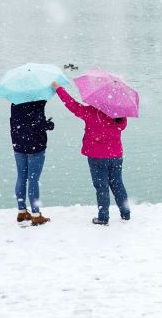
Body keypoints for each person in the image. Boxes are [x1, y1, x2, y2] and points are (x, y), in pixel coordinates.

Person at [52, 82, 130, 225]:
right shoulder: (120, 117)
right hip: (116, 155)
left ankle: (103, 217)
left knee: (101, 187)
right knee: (118, 184)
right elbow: (121, 126)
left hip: (97, 157)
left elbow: (72, 105)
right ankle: (125, 213)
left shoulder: (91, 113)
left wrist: (59, 89)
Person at [10, 99, 54, 225]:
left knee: (21, 177)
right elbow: (39, 124)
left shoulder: (15, 102)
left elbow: (14, 122)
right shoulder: (38, 102)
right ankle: (35, 214)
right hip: (35, 145)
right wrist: (50, 125)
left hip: (18, 144)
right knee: (33, 179)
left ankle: (22, 211)